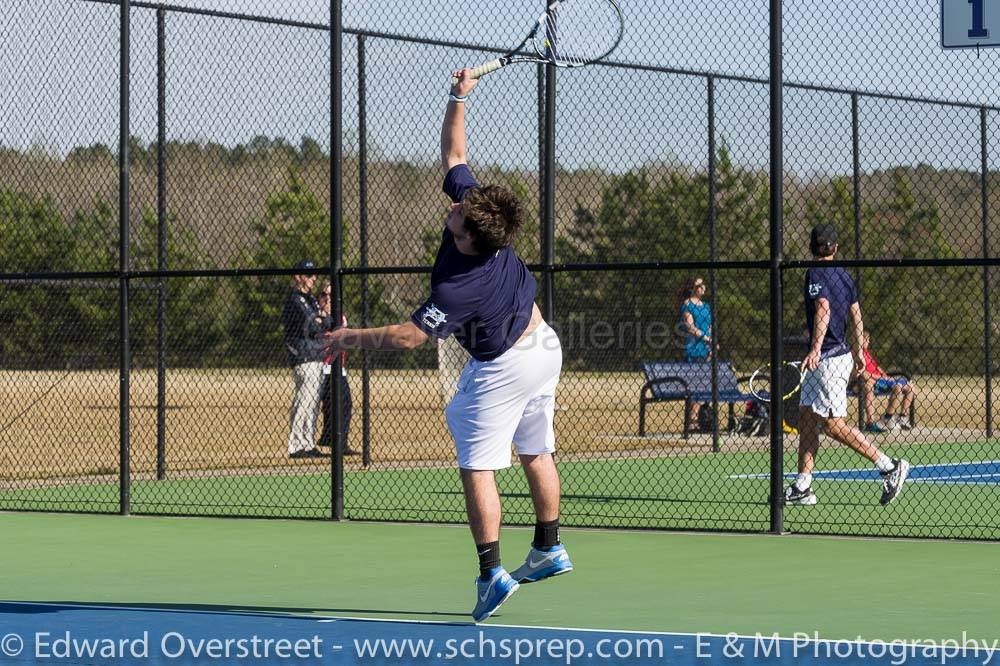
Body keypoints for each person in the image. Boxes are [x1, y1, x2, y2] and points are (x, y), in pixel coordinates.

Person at [324, 69, 572, 623]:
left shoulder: (459, 283)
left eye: (457, 214)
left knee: (477, 466)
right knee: (536, 450)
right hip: (544, 348)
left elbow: (410, 337)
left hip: (505, 366)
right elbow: (454, 152)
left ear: (469, 236)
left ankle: (491, 574)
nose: (452, 207)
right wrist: (459, 95)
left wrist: (347, 337)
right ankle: (549, 545)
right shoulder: (479, 213)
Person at [785, 224, 909, 507]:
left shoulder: (814, 273)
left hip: (827, 359)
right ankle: (803, 485)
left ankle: (889, 466)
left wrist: (816, 348)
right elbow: (856, 315)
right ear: (835, 248)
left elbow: (824, 309)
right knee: (806, 417)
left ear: (811, 247)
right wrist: (859, 352)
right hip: (835, 357)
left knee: (831, 424)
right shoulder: (844, 275)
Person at [282, 261, 328, 460]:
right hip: (303, 355)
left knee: (313, 402)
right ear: (298, 276)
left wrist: (321, 320)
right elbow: (314, 325)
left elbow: (326, 322)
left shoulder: (310, 299)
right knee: (304, 400)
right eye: (309, 275)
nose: (313, 279)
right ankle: (296, 445)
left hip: (316, 354)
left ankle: (308, 442)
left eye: (314, 275)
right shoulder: (295, 299)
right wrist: (320, 320)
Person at [315, 282, 357, 455]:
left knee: (345, 403)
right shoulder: (316, 315)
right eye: (324, 295)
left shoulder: (340, 316)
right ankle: (329, 440)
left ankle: (339, 443)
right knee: (329, 405)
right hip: (323, 366)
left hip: (339, 366)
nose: (327, 299)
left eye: (331, 295)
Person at [860, 331, 916, 433]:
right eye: (866, 340)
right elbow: (864, 374)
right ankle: (888, 417)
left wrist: (885, 376)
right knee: (898, 387)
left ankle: (903, 417)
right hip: (875, 381)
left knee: (911, 387)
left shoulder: (867, 353)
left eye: (868, 340)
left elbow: (877, 368)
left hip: (882, 380)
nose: (868, 342)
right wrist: (884, 378)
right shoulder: (856, 354)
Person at [678, 276, 713, 430]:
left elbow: (709, 326)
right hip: (694, 349)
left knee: (705, 385)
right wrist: (705, 338)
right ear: (693, 288)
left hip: (706, 349)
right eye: (698, 285)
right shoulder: (687, 305)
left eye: (702, 285)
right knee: (695, 386)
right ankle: (691, 421)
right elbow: (690, 327)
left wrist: (710, 344)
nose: (702, 288)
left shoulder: (706, 306)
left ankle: (702, 420)